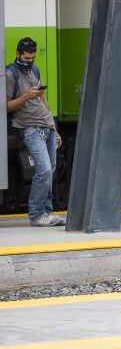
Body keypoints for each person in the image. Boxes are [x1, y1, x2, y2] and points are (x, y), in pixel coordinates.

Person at [6, 37, 64, 227]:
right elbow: (6, 106)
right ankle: (37, 214)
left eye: (32, 58)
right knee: (44, 169)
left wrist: (54, 128)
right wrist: (26, 96)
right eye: (26, 57)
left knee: (50, 171)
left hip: (46, 126)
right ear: (17, 54)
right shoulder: (10, 74)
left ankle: (46, 212)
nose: (29, 61)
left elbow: (43, 101)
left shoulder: (35, 70)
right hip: (29, 128)